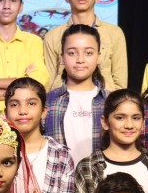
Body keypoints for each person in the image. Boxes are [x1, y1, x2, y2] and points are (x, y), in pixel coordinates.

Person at [43, 0, 129, 91]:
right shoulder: (53, 35)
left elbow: (120, 83)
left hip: (105, 101)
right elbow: (48, 83)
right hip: (63, 101)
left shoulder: (114, 33)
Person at [44, 24, 108, 166]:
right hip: (58, 177)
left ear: (98, 57)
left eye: (88, 53)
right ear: (62, 57)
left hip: (102, 178)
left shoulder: (110, 101)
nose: (80, 59)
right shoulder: (48, 101)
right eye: (72, 53)